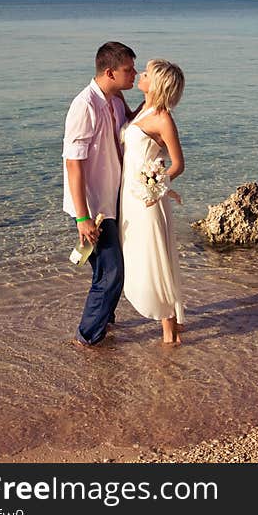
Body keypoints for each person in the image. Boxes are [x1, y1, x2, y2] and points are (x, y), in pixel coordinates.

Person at [63, 41, 138, 346]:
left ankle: (105, 322)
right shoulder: (84, 105)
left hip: (114, 200)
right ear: (110, 72)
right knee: (112, 273)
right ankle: (87, 337)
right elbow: (73, 164)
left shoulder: (115, 100)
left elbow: (134, 128)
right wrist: (82, 217)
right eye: (128, 70)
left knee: (105, 271)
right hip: (94, 206)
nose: (134, 74)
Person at [119, 59, 186, 344]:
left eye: (146, 74)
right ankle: (169, 327)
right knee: (136, 257)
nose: (140, 75)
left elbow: (178, 164)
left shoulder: (162, 118)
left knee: (153, 261)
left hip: (148, 203)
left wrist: (156, 184)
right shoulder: (142, 109)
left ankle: (169, 333)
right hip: (129, 197)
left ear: (157, 83)